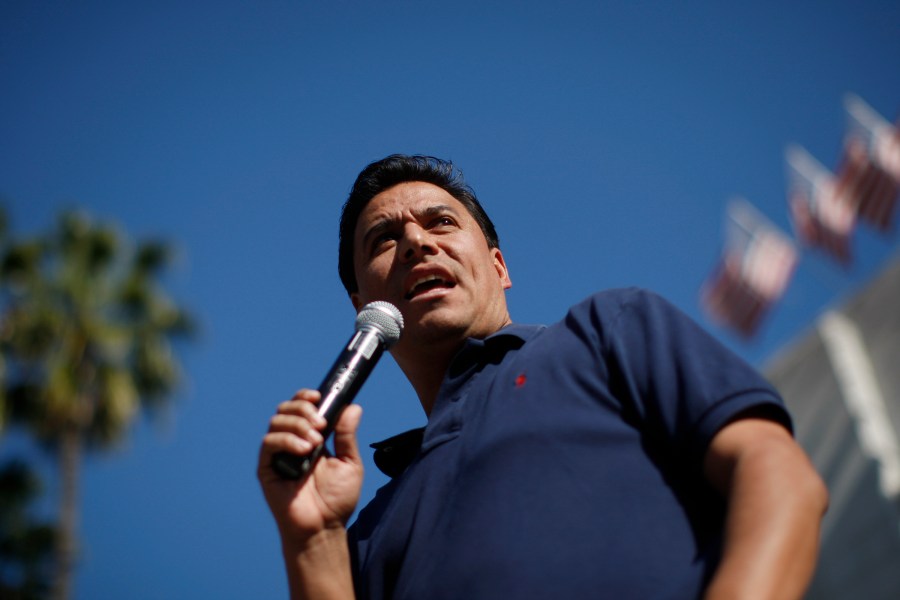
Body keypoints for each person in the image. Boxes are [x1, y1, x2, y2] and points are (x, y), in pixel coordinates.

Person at [258, 154, 828, 600]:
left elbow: (777, 475)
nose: (415, 241)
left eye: (442, 222)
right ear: (360, 303)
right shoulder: (366, 525)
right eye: (384, 239)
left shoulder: (608, 330)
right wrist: (314, 541)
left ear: (499, 266)